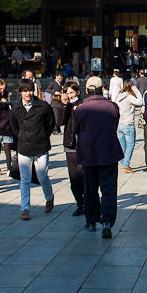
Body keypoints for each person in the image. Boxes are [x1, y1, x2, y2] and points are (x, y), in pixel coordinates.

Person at [74, 77, 124, 237]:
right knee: (109, 189)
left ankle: (91, 221)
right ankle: (107, 221)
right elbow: (114, 124)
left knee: (90, 190)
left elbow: (76, 129)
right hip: (108, 153)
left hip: (89, 154)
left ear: (87, 90)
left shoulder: (81, 109)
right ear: (103, 89)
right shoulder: (112, 107)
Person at [10, 78, 55, 220]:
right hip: (24, 147)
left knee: (42, 176)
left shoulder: (43, 106)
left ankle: (49, 197)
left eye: (30, 90)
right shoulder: (16, 109)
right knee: (25, 179)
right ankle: (25, 208)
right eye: (24, 91)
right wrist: (22, 136)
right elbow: (14, 128)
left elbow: (50, 124)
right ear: (20, 92)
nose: (28, 93)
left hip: (41, 146)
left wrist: (42, 135)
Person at [60, 82, 85, 215]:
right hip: (70, 145)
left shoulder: (84, 105)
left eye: (72, 93)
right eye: (68, 93)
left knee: (83, 176)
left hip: (82, 145)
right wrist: (64, 105)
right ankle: (79, 204)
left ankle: (87, 202)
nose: (69, 96)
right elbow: (60, 122)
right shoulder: (67, 106)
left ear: (78, 92)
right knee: (73, 178)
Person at [113, 79, 143, 173]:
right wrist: (136, 90)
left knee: (122, 146)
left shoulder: (118, 96)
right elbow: (140, 102)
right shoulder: (129, 97)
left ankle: (122, 162)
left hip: (120, 123)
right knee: (130, 145)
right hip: (128, 123)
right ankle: (126, 164)